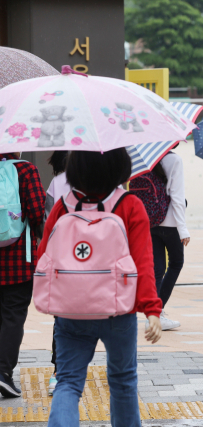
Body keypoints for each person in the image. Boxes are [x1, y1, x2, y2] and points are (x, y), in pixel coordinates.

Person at [40, 148, 162, 426]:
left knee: (68, 382)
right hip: (118, 311)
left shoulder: (64, 205)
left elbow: (44, 257)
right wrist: (152, 310)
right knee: (123, 382)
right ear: (120, 166)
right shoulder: (130, 205)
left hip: (71, 311)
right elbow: (143, 263)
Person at [0, 152, 45, 398]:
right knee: (13, 316)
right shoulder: (26, 170)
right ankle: (3, 373)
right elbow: (38, 212)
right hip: (19, 259)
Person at [150, 152, 190, 330]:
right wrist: (183, 229)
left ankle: (154, 314)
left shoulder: (145, 158)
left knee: (157, 269)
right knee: (176, 263)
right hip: (170, 223)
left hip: (149, 221)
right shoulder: (174, 159)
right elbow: (177, 196)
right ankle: (157, 313)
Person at [44, 151, 70, 396]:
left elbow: (48, 225)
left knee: (62, 317)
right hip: (100, 265)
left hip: (63, 261)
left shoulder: (56, 182)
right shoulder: (110, 182)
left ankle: (58, 372)